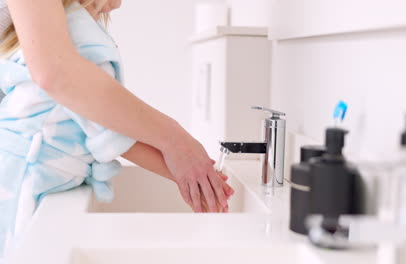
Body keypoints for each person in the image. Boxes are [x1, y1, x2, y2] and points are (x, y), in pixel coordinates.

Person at [0, 0, 234, 257]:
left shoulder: (70, 28)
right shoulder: (80, 32)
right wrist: (185, 156)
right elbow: (107, 128)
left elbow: (109, 132)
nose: (118, 5)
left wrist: (194, 173)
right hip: (26, 180)